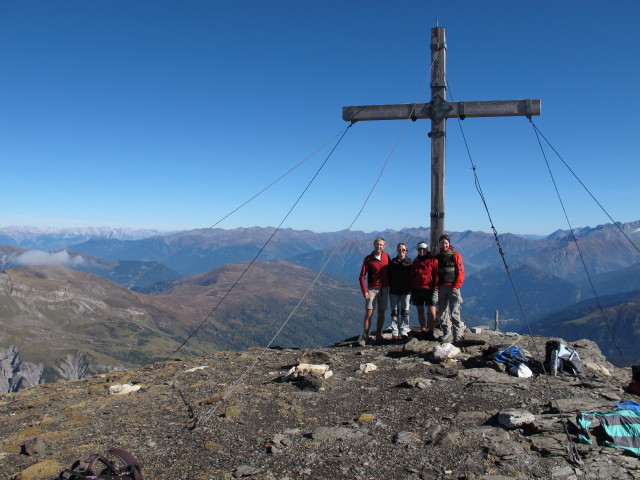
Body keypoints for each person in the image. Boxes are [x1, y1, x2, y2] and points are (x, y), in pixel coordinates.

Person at [358, 237, 390, 345]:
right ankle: (366, 334)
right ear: (374, 245)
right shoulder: (368, 259)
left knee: (381, 311)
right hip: (372, 289)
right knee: (369, 312)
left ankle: (379, 333)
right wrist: (364, 290)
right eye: (377, 244)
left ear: (384, 246)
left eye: (381, 245)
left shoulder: (386, 257)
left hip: (384, 288)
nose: (379, 246)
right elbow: (362, 276)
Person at [436, 234, 465, 343]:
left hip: (453, 287)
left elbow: (461, 272)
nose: (444, 245)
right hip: (442, 287)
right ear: (439, 244)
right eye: (442, 243)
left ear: (449, 243)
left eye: (446, 243)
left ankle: (457, 335)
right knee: (442, 312)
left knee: (455, 312)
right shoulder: (438, 257)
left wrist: (457, 286)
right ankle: (446, 333)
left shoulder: (456, 255)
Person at [410, 241, 439, 341]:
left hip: (430, 289)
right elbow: (413, 275)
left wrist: (435, 287)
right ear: (417, 250)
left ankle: (430, 331)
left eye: (423, 249)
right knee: (420, 311)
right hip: (417, 289)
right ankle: (423, 330)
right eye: (419, 249)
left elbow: (436, 275)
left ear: (427, 250)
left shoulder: (433, 261)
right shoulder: (416, 261)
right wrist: (412, 288)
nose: (422, 251)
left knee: (432, 312)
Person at [388, 242, 412, 341]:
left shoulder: (410, 263)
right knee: (394, 312)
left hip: (406, 291)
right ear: (397, 251)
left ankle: (404, 330)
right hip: (394, 291)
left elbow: (412, 277)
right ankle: (395, 331)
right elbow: (388, 275)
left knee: (405, 312)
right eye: (399, 250)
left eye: (403, 250)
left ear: (406, 251)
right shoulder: (393, 262)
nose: (401, 251)